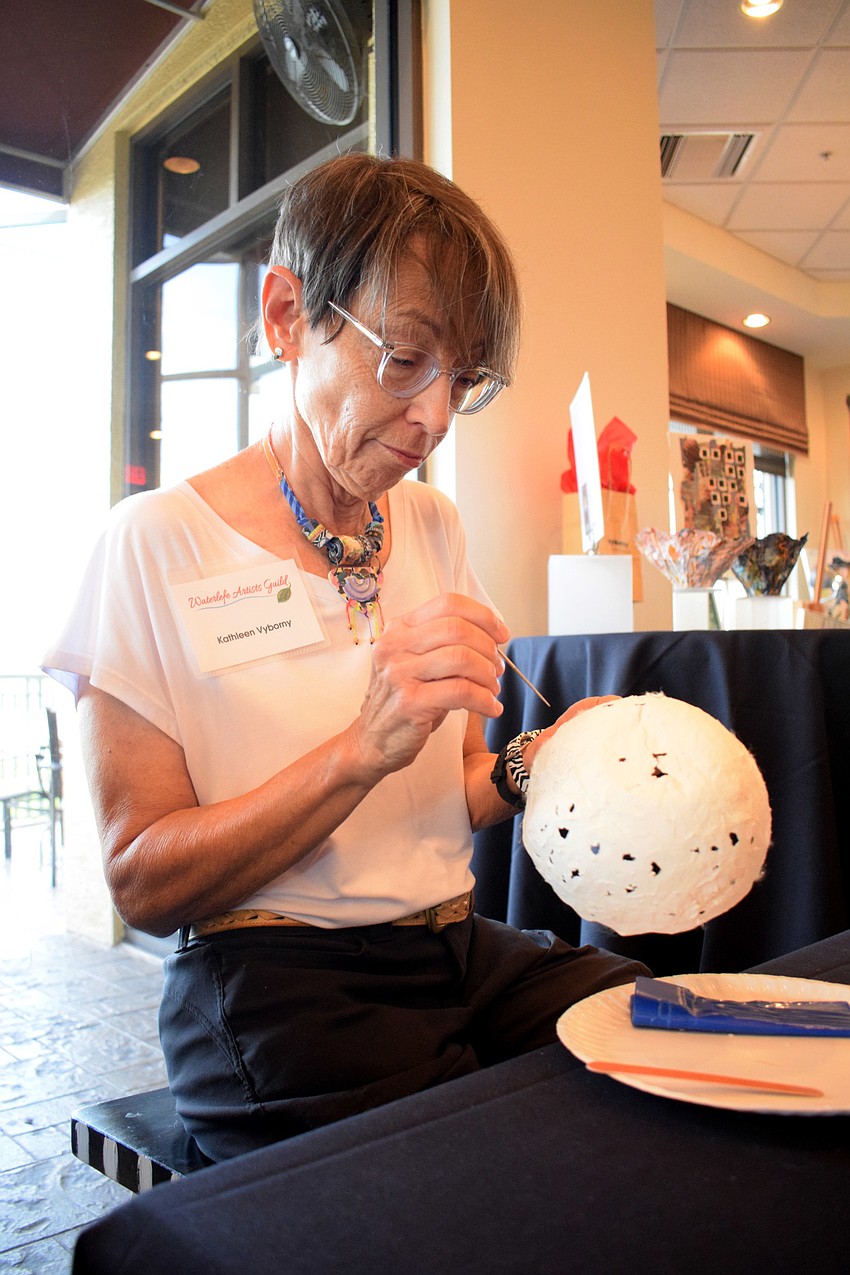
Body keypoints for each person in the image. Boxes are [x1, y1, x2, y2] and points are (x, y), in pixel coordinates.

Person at [44, 153, 647, 1163]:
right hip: (277, 986)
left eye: (464, 378)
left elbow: (441, 793)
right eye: (405, 358)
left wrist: (523, 765)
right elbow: (141, 880)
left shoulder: (431, 525)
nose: (436, 417)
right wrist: (357, 748)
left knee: (670, 1044)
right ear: (285, 315)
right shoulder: (154, 542)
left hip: (455, 945)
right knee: (490, 1180)